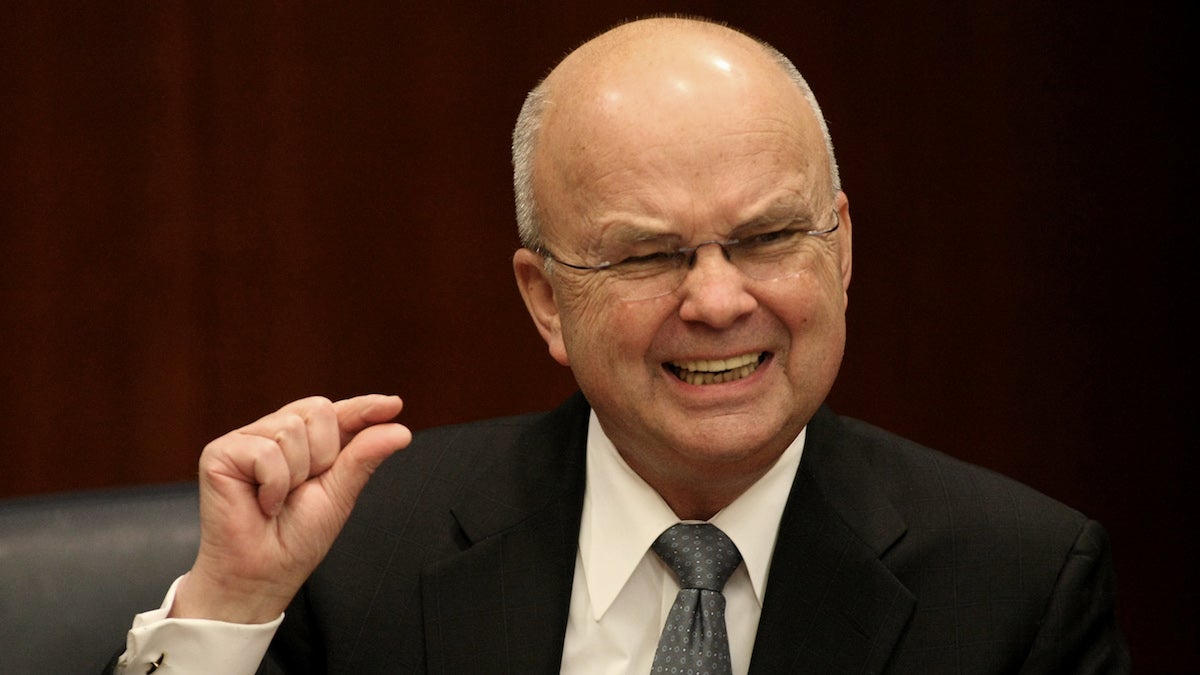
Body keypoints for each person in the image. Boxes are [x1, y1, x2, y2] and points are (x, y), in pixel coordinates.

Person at [109, 16, 1129, 674]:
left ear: (844, 246)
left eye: (770, 238)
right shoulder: (368, 550)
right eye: (649, 256)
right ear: (546, 300)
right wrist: (232, 609)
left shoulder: (1020, 587)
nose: (719, 300)